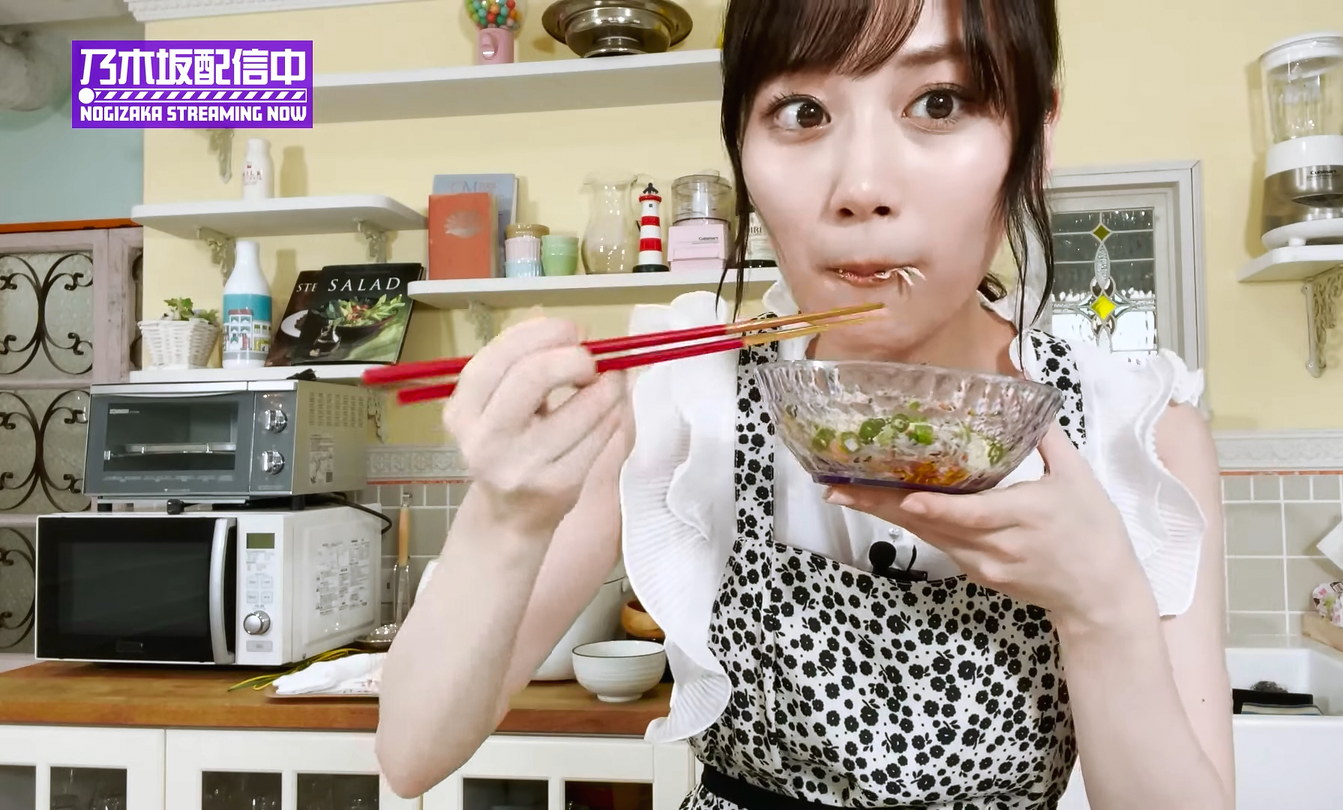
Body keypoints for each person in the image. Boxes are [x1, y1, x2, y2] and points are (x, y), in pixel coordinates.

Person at [376, 0, 1235, 807]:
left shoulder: (1136, 431)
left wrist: (1101, 607)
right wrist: (507, 513)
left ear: (1033, 139)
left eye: (939, 103)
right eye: (802, 112)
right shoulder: (691, 394)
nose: (861, 186)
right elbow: (413, 753)